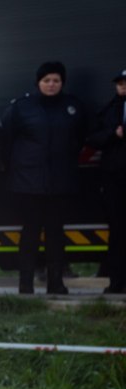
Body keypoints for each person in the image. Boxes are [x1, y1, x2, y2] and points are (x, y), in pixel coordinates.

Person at [1, 62, 87, 295]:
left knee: (56, 236)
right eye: (47, 80)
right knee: (29, 234)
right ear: (38, 82)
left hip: (60, 184)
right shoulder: (22, 107)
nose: (51, 85)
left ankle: (56, 284)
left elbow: (79, 139)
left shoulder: (73, 107)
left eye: (56, 81)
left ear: (62, 83)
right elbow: (6, 141)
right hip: (29, 185)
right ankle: (25, 285)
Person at [89, 68, 126, 294]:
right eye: (120, 83)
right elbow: (94, 138)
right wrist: (114, 134)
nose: (123, 87)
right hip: (115, 179)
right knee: (118, 231)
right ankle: (116, 281)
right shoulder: (108, 110)